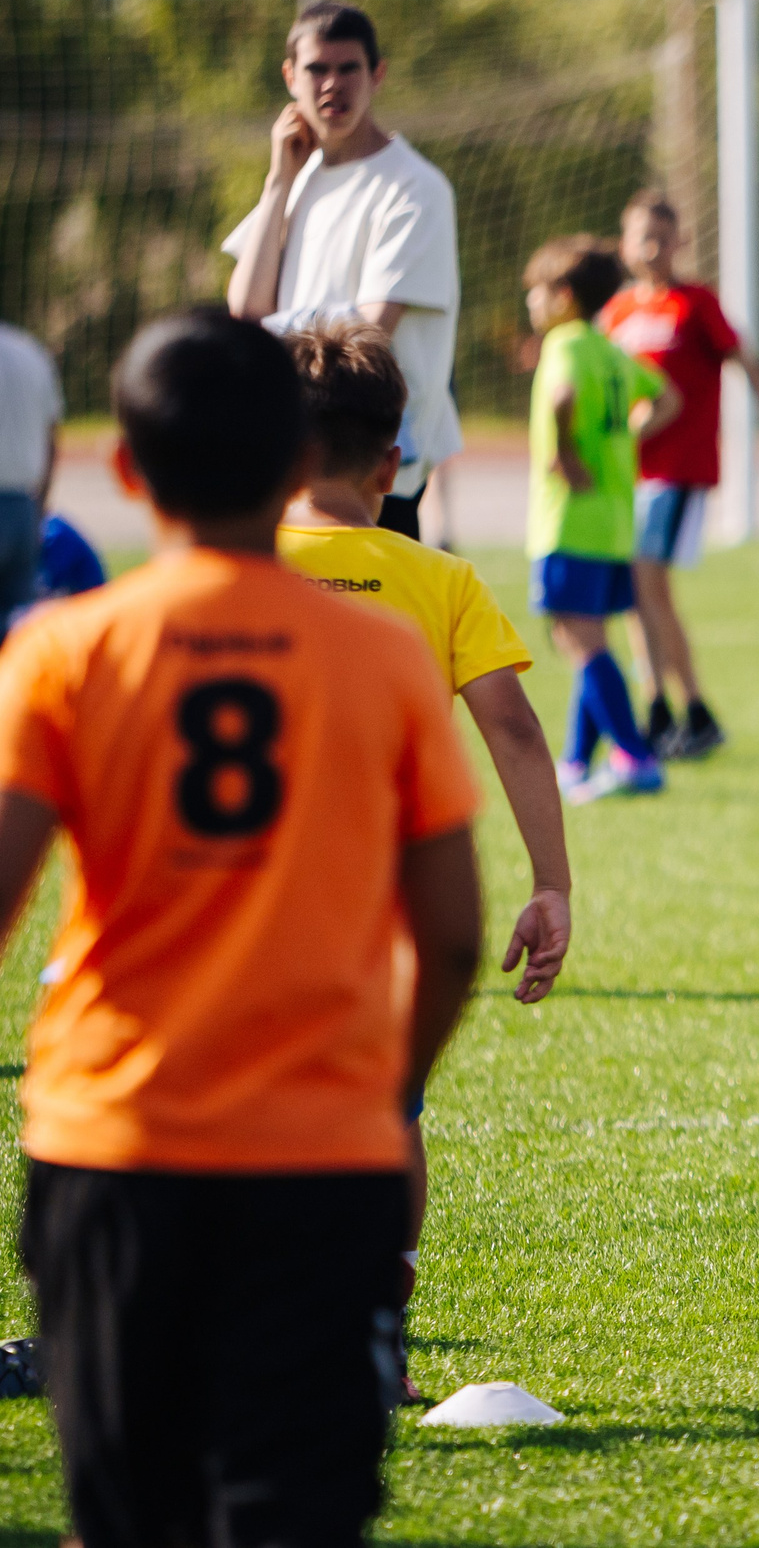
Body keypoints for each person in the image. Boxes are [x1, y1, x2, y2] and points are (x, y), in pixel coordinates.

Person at [0, 308, 483, 1546]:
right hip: (320, 1147)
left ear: (123, 470)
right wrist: (388, 1089)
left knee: (126, 1513)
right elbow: (453, 932)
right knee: (294, 1513)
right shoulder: (380, 659)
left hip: (114, 1139)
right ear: (294, 467)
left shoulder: (65, 651)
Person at [275, 320, 572, 1401]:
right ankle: (376, 1332)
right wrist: (552, 885)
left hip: (229, 901)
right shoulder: (437, 577)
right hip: (381, 914)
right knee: (386, 1121)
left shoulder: (221, 568)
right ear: (393, 463)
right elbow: (517, 730)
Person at [222, 0, 460, 541]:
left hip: (372, 472)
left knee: (384, 625)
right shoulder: (297, 180)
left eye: (349, 68)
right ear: (290, 77)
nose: (333, 84)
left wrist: (265, 346)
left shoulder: (414, 186)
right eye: (317, 69)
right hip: (297, 459)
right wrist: (277, 183)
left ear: (377, 75)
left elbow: (365, 336)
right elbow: (246, 310)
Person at [598, 190, 759, 759]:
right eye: (640, 236)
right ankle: (662, 708)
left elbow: (748, 366)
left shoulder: (695, 303)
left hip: (678, 469)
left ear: (680, 243)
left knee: (648, 582)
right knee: (633, 592)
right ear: (623, 245)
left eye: (661, 237)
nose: (651, 248)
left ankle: (690, 707)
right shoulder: (618, 312)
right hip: (628, 471)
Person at [525, 236, 669, 803]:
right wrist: (622, 441)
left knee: (579, 641)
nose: (531, 305)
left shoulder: (566, 344)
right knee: (588, 640)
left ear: (562, 297)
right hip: (612, 516)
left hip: (569, 518)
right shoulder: (611, 350)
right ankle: (577, 761)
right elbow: (666, 397)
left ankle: (634, 756)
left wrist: (563, 450)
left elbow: (561, 397)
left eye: (535, 294)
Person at [0, 321, 59, 625]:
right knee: (20, 625)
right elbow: (51, 439)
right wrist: (39, 508)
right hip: (24, 506)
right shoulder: (30, 351)